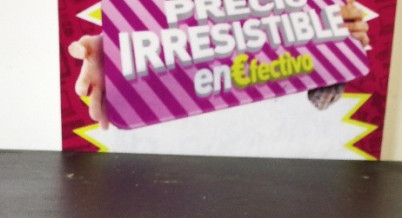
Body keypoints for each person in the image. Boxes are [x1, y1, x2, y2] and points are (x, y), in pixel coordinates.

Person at [68, 0, 371, 128]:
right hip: (166, 177)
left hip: (285, 170)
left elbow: (320, 103)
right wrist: (114, 55)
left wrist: (340, 47)